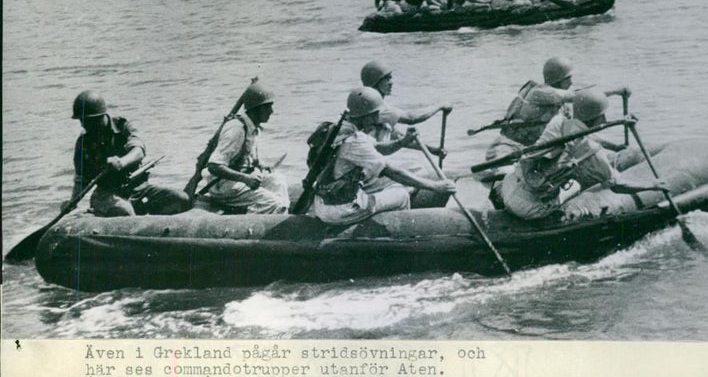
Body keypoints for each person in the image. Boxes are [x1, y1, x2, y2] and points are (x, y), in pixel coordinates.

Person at [499, 88, 666, 220]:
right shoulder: (594, 154)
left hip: (509, 185)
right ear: (600, 118)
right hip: (527, 207)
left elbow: (585, 134)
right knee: (581, 186)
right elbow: (619, 186)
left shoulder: (560, 122)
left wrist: (616, 147)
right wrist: (653, 185)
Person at [310, 87, 456, 226]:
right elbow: (390, 170)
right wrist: (435, 186)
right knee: (401, 195)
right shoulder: (355, 140)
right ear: (366, 118)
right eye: (374, 115)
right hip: (341, 210)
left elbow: (378, 147)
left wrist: (403, 141)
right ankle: (398, 237)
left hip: (324, 203)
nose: (377, 119)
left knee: (394, 186)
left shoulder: (340, 130)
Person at [69, 90, 190, 217]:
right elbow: (81, 179)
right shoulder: (84, 143)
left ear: (102, 116)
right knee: (125, 213)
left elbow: (139, 150)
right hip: (107, 194)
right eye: (82, 121)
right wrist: (72, 202)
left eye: (88, 121)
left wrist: (121, 162)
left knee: (181, 199)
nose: (84, 125)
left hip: (139, 189)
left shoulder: (122, 126)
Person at [485, 57, 629, 161]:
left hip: (531, 150)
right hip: (508, 148)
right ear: (558, 79)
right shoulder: (540, 93)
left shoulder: (561, 104)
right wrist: (616, 91)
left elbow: (578, 133)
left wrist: (615, 147)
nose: (571, 82)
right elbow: (581, 96)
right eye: (568, 78)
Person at [201, 83, 290, 214]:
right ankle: (259, 222)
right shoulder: (237, 129)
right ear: (256, 109)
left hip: (238, 180)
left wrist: (262, 167)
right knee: (272, 204)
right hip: (224, 185)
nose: (271, 111)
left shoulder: (252, 128)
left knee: (278, 181)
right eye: (267, 107)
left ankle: (282, 216)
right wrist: (245, 179)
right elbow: (214, 166)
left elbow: (244, 159)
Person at [360, 60, 451, 148]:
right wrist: (440, 106)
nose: (391, 83)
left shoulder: (363, 104)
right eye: (387, 79)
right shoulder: (379, 109)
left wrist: (432, 149)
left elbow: (398, 137)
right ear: (376, 83)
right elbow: (412, 118)